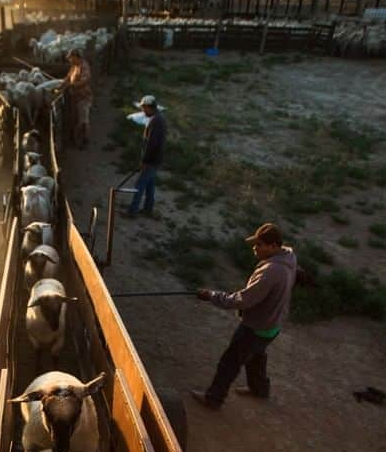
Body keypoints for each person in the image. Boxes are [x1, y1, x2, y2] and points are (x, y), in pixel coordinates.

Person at [190, 223, 299, 408]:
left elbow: (243, 300)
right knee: (256, 355)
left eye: (259, 245)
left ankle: (213, 399)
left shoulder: (271, 271)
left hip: (256, 326)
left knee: (229, 362)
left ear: (274, 246)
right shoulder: (289, 257)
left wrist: (211, 296)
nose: (255, 248)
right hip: (273, 324)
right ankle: (259, 390)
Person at [126, 95, 165, 219]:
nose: (143, 111)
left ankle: (132, 211)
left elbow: (151, 144)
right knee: (150, 186)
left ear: (149, 107)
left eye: (144, 108)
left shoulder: (155, 121)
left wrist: (144, 160)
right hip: (156, 159)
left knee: (140, 185)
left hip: (151, 160)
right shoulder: (159, 119)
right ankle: (148, 209)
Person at [63, 49, 93, 149]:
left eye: (71, 58)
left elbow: (84, 81)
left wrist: (71, 85)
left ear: (76, 57)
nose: (69, 60)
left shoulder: (84, 66)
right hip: (75, 97)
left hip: (83, 97)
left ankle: (83, 141)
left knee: (83, 120)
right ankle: (77, 139)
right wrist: (61, 84)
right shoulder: (74, 66)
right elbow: (68, 77)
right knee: (78, 119)